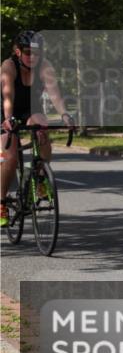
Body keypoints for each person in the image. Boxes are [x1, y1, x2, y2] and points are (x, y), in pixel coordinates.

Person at [1, 31, 76, 227]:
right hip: (6, 110)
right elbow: (8, 97)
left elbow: (55, 95)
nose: (33, 56)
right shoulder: (9, 66)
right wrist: (8, 119)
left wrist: (65, 115)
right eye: (28, 52)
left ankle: (40, 178)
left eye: (37, 53)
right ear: (17, 52)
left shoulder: (45, 66)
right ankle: (1, 202)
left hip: (30, 110)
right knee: (10, 157)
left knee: (42, 128)